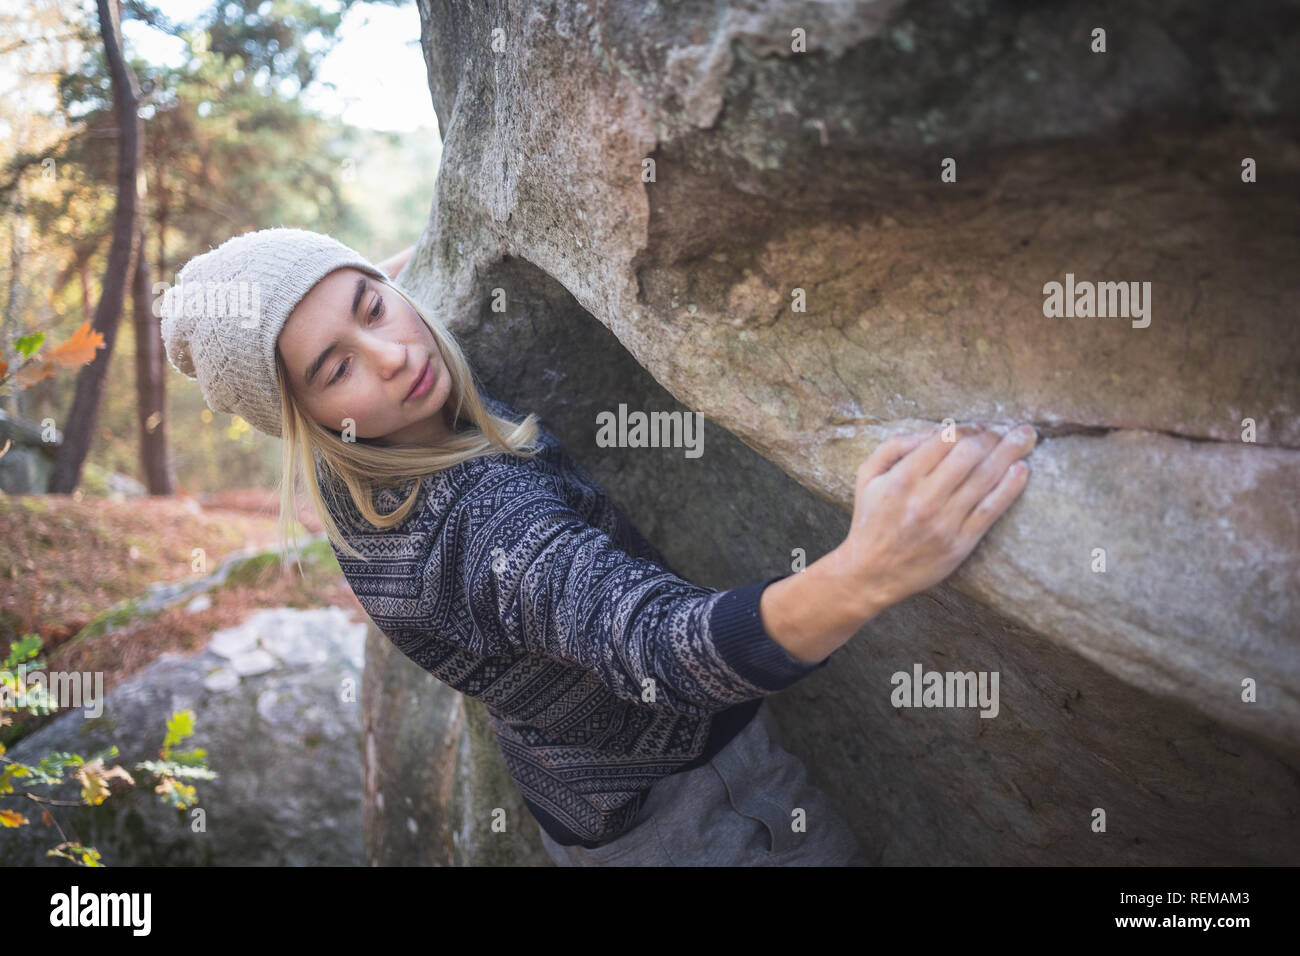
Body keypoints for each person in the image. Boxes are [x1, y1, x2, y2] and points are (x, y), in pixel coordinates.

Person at [159, 226, 1037, 866]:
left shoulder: (361, 477)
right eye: (336, 367)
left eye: (373, 303)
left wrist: (386, 273)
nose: (393, 354)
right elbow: (658, 648)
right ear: (305, 420)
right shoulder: (479, 523)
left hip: (589, 805)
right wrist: (872, 567)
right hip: (705, 818)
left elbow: (353, 315)